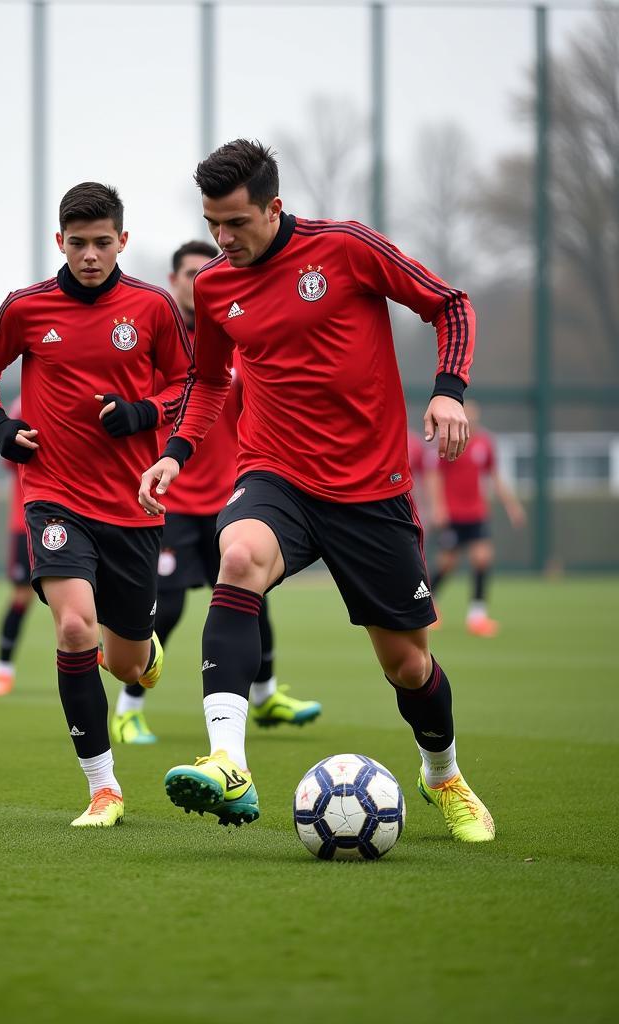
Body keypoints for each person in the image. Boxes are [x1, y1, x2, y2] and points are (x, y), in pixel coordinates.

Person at [139, 139, 495, 842]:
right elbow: (210, 380)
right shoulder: (214, 286)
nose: (222, 239)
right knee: (236, 557)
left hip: (372, 490)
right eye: (213, 223)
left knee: (407, 664)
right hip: (275, 474)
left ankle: (443, 775)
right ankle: (228, 764)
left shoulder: (348, 248)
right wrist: (177, 453)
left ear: (274, 207)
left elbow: (449, 305)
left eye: (236, 222)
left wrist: (449, 391)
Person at [0, 181, 191, 827]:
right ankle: (103, 789)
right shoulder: (26, 307)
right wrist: (1, 427)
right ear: (58, 242)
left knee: (126, 661)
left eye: (102, 242)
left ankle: (144, 656)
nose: (90, 254)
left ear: (123, 241)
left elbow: (192, 382)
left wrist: (145, 411)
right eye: (78, 243)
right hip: (54, 496)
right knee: (71, 629)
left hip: (134, 504)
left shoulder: (150, 307)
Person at [110, 240, 322, 746]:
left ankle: (267, 696)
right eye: (187, 273)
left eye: (206, 271)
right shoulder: (157, 343)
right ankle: (127, 707)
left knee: (252, 595)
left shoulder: (235, 337)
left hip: (230, 495)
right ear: (174, 278)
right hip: (172, 498)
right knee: (170, 604)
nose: (196, 280)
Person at [425, 400, 526, 636]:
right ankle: (428, 606)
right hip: (453, 514)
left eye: (474, 417)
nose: (470, 420)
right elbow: (434, 475)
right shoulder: (449, 441)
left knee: (482, 558)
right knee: (447, 564)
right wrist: (438, 507)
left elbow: (495, 476)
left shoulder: (485, 443)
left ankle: (477, 616)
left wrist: (512, 506)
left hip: (476, 513)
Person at [0, 398, 36, 697]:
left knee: (83, 599)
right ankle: (2, 670)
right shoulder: (19, 408)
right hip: (25, 522)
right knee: (20, 597)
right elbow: (9, 459)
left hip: (74, 519)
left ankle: (92, 662)